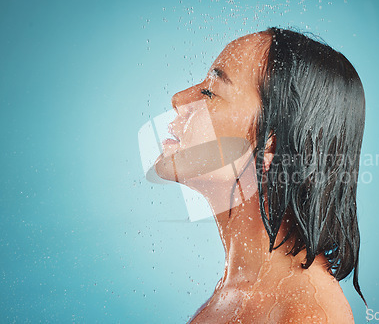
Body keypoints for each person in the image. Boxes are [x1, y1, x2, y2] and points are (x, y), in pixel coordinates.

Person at [155, 27, 366, 323]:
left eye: (210, 92)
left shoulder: (305, 314)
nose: (179, 99)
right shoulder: (241, 290)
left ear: (272, 145)